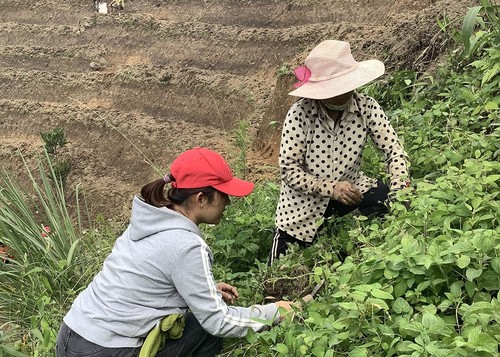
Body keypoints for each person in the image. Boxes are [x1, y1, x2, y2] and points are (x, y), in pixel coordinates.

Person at [56, 147, 293, 357]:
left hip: (70, 336)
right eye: (224, 196)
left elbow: (148, 279)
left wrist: (201, 291)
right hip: (106, 350)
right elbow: (218, 321)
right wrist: (275, 312)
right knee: (205, 330)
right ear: (201, 199)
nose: (228, 203)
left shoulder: (149, 220)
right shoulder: (188, 245)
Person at [269, 40, 410, 264]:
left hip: (351, 190)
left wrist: (400, 190)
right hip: (303, 206)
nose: (342, 94)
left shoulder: (367, 107)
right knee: (279, 273)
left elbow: (394, 150)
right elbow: (289, 170)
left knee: (382, 198)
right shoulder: (300, 115)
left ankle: (346, 255)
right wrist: (331, 188)